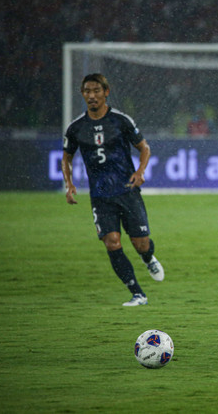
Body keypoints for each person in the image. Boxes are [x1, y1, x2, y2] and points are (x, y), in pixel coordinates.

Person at [62, 73, 164, 307]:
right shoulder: (76, 127)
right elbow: (66, 157)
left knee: (141, 244)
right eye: (87, 91)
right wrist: (69, 184)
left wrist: (140, 172)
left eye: (96, 90)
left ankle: (148, 258)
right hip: (100, 196)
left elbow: (144, 147)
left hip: (127, 191)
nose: (92, 95)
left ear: (106, 92)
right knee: (112, 242)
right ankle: (138, 293)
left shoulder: (120, 120)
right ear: (83, 94)